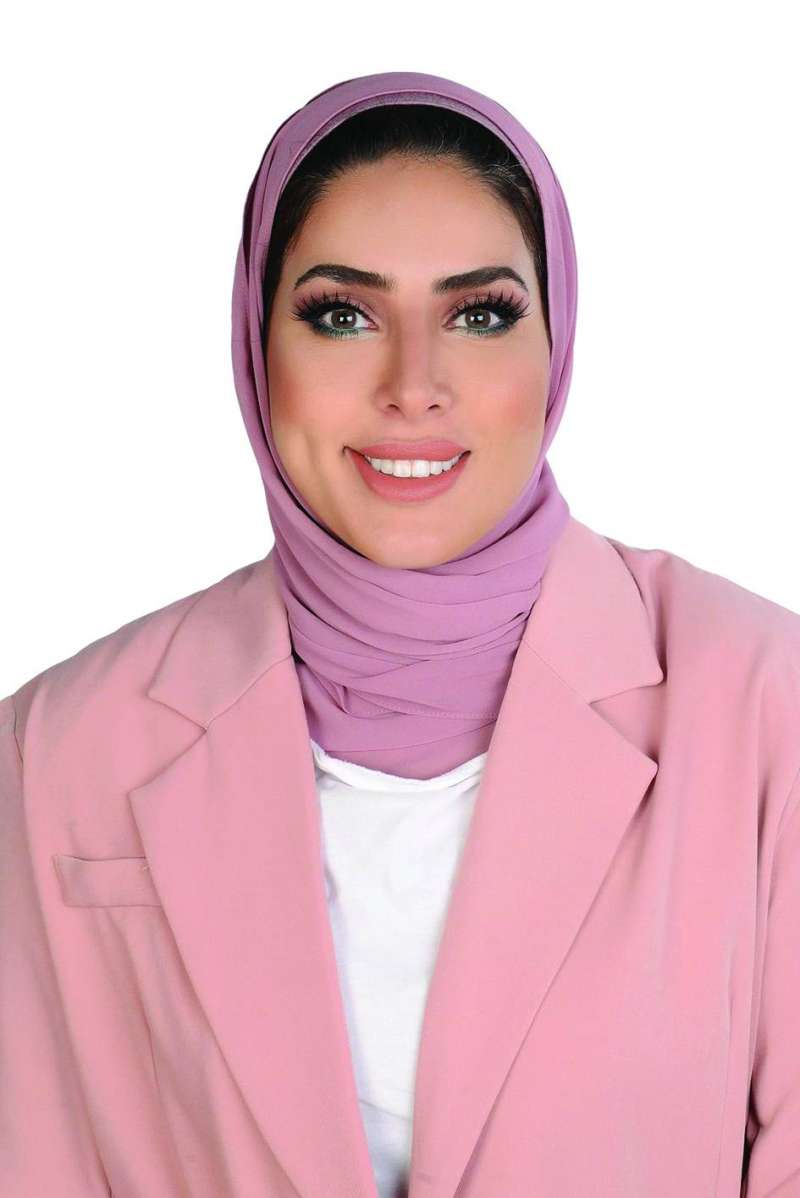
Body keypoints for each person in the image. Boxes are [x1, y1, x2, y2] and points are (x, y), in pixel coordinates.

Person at [1, 70, 798, 1198]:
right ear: (255, 347)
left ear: (556, 343)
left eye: (480, 314)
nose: (412, 385)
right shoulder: (54, 748)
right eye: (342, 314)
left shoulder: (764, 705)